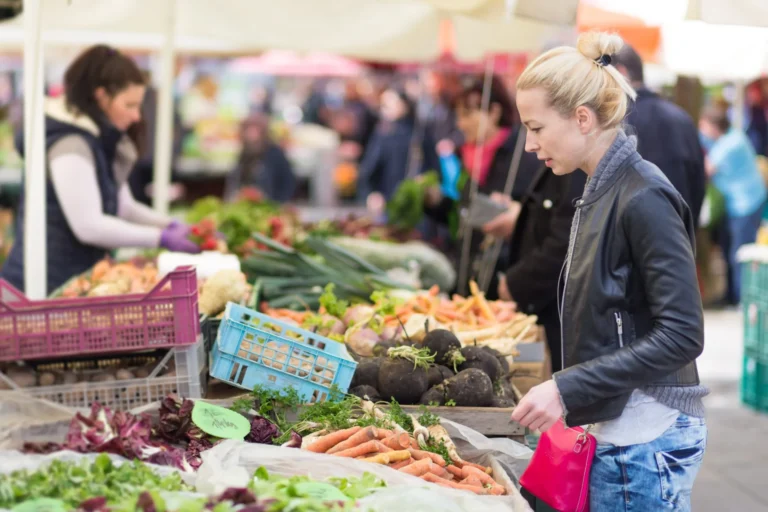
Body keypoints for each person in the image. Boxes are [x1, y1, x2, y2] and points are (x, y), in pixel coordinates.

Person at [510, 32, 707, 510]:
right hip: (620, 433)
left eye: (537, 128)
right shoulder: (601, 188)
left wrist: (566, 386)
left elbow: (682, 333)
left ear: (581, 118)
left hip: (644, 440)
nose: (531, 145)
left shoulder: (644, 196)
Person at [0, 45, 199, 295]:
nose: (137, 116)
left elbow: (123, 205)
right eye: (129, 105)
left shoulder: (95, 138)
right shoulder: (70, 144)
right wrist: (159, 238)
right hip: (41, 288)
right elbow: (89, 225)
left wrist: (171, 225)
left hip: (72, 281)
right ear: (101, 96)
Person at [424, 76, 540, 297]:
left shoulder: (524, 157)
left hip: (506, 285)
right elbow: (465, 215)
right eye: (458, 116)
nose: (460, 123)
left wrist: (517, 217)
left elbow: (539, 222)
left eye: (467, 114)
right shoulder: (470, 157)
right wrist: (436, 203)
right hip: (469, 280)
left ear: (494, 112)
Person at [484, 153, 586, 373]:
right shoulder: (566, 165)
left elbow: (566, 241)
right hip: (541, 313)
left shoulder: (579, 170)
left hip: (556, 317)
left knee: (542, 378)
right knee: (529, 375)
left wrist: (515, 284)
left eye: (537, 128)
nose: (531, 145)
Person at [611, 43, 707, 228]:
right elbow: (699, 182)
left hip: (636, 240)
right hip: (680, 234)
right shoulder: (682, 117)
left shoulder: (618, 121)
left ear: (621, 72)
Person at [700, 105, 767, 305]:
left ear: (713, 127)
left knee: (739, 252)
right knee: (731, 249)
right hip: (741, 203)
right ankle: (731, 295)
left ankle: (742, 300)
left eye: (703, 127)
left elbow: (707, 169)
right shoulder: (729, 138)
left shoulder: (730, 143)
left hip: (746, 204)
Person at [357, 87, 439, 205]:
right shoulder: (382, 134)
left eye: (388, 104)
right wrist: (370, 194)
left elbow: (433, 167)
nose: (384, 109)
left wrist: (428, 181)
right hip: (390, 200)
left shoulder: (420, 133)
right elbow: (369, 169)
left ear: (404, 104)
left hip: (419, 201)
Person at [224, 113, 296, 203]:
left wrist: (277, 204)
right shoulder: (245, 152)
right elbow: (236, 181)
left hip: (270, 203)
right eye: (248, 130)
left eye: (255, 130)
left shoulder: (274, 153)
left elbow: (288, 183)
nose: (251, 134)